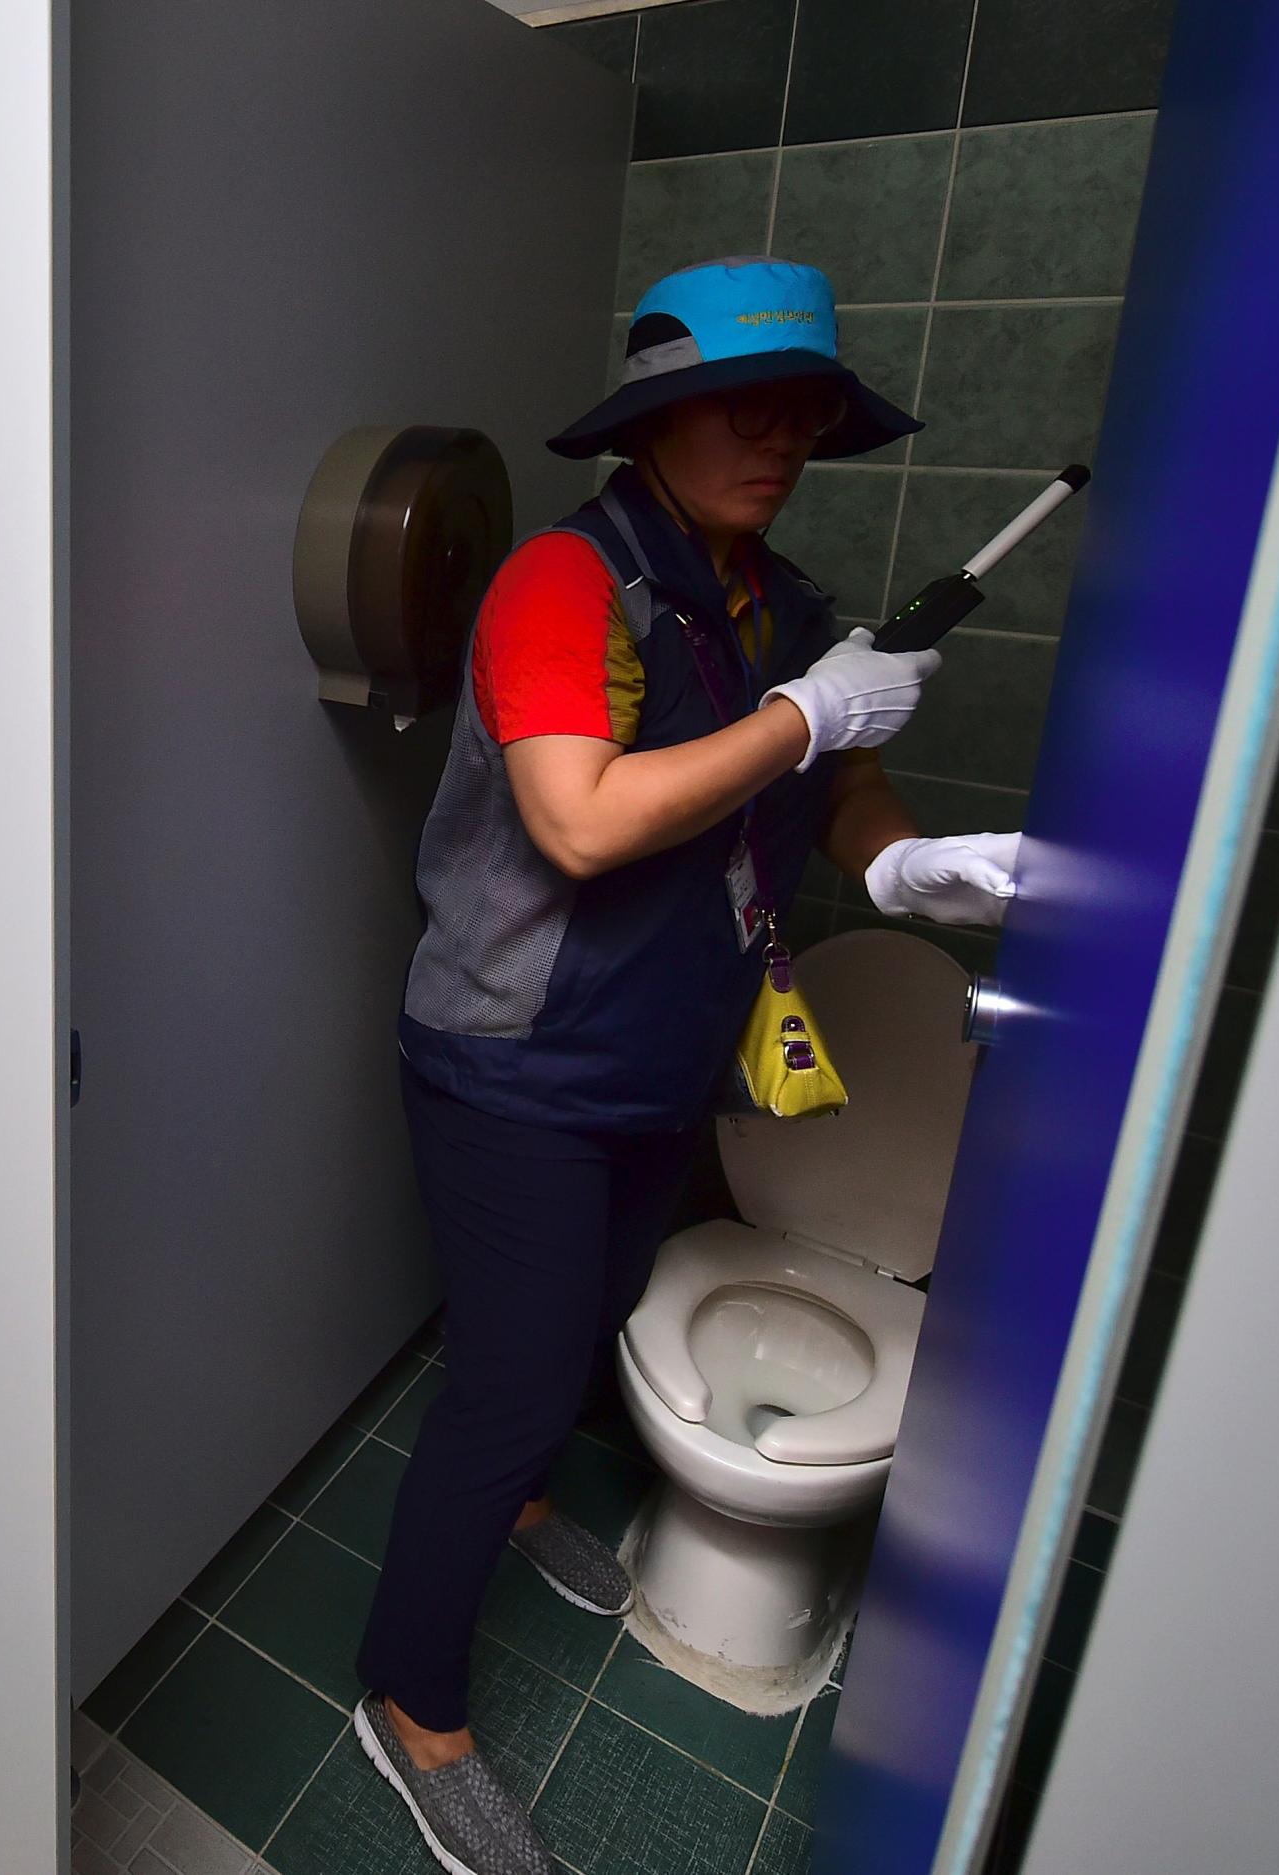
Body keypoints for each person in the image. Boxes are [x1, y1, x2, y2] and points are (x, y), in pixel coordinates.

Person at [352, 257, 1020, 1875]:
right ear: (656, 422)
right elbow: (580, 821)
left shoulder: (777, 607)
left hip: (660, 1058)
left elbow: (837, 776)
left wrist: (895, 862)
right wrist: (804, 721)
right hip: (513, 1069)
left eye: (805, 411)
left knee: (591, 1318)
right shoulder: (561, 588)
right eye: (745, 403)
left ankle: (518, 1504)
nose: (781, 437)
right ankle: (405, 1702)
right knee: (508, 1388)